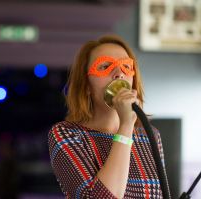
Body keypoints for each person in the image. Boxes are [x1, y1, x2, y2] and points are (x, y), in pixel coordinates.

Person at [48, 35, 170, 198]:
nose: (119, 73)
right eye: (105, 66)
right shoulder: (66, 134)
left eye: (126, 66)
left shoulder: (150, 135)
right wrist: (125, 126)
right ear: (86, 86)